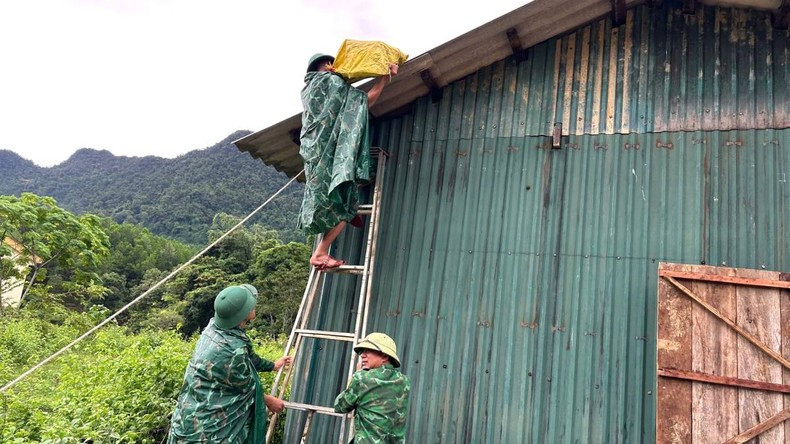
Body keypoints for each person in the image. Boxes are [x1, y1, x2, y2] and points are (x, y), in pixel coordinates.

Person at [298, 52, 398, 269]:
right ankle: (320, 253)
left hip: (313, 155)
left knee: (330, 198)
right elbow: (363, 102)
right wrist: (384, 77)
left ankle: (325, 243)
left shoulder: (307, 92)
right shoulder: (330, 82)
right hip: (329, 155)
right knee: (346, 206)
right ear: (326, 66)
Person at [167, 284, 292, 444]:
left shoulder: (214, 328)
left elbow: (249, 357)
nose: (254, 305)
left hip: (187, 417)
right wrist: (270, 401)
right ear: (246, 314)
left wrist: (273, 365)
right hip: (211, 431)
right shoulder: (232, 349)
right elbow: (248, 391)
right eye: (251, 304)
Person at [334, 332, 411, 444]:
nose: (362, 355)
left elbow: (340, 406)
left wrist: (357, 374)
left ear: (384, 356)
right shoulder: (404, 381)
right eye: (361, 351)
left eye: (368, 351)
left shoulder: (362, 378)